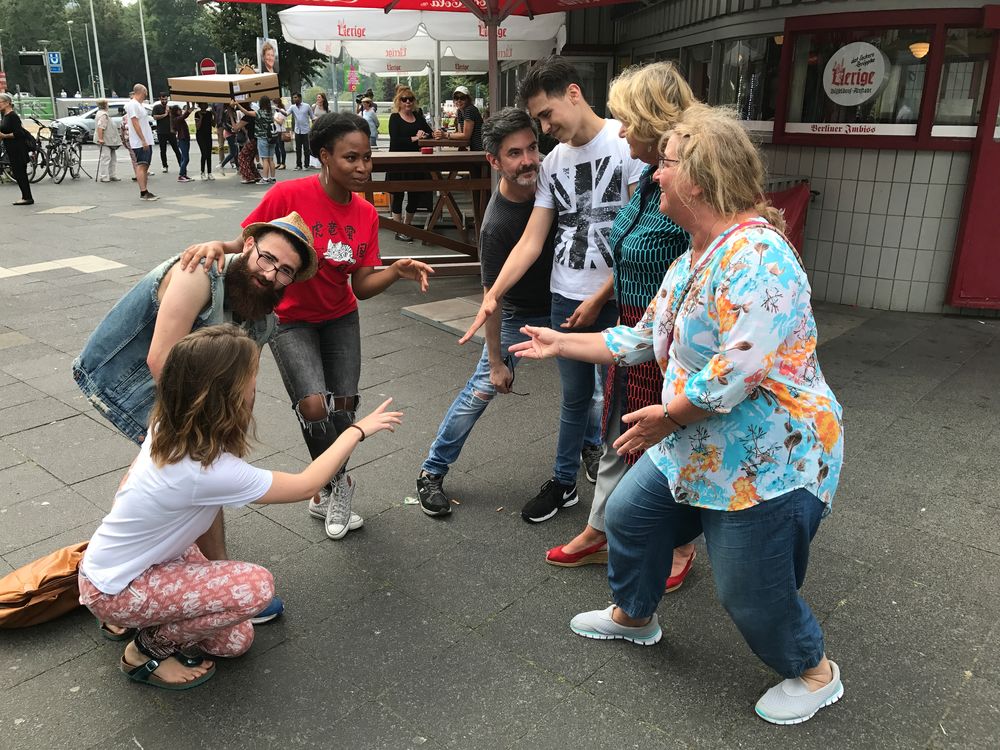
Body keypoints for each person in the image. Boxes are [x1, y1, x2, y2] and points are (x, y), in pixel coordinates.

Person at [510, 104, 845, 725]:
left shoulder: (758, 255)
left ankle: (813, 671)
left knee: (751, 592)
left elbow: (737, 370)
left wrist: (668, 415)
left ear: (702, 175)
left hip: (771, 458)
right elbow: (642, 338)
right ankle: (634, 616)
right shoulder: (694, 255)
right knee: (630, 513)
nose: (653, 175)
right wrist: (562, 341)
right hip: (701, 440)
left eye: (665, 164)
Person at [79, 324, 403, 690]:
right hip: (116, 588)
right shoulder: (208, 470)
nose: (254, 388)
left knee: (235, 642)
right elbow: (308, 484)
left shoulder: (168, 425)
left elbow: (128, 484)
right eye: (251, 379)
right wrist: (355, 431)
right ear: (226, 394)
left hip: (130, 566)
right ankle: (144, 652)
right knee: (255, 587)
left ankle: (154, 618)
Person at [179, 113, 434, 542]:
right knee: (314, 404)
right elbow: (249, 241)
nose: (362, 167)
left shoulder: (366, 214)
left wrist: (395, 271)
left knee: (345, 407)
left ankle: (327, 483)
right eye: (351, 157)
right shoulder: (288, 195)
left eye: (367, 158)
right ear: (324, 156)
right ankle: (334, 485)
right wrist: (216, 246)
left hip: (340, 316)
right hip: (289, 319)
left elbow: (363, 285)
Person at [73, 211, 318, 627]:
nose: (271, 274)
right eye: (267, 259)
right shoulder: (198, 274)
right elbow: (161, 360)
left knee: (166, 473)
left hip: (191, 392)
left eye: (285, 271)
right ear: (248, 246)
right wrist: (212, 444)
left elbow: (248, 381)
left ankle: (132, 569)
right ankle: (207, 573)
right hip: (132, 378)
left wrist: (231, 433)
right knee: (196, 473)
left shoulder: (263, 315)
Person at [461, 56, 643, 522]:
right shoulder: (555, 163)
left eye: (547, 115)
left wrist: (601, 297)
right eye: (538, 119)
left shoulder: (626, 141)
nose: (543, 129)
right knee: (576, 398)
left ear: (574, 94)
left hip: (618, 297)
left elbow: (640, 234)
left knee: (620, 399)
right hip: (566, 293)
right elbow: (532, 238)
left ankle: (617, 493)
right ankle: (564, 482)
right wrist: (492, 294)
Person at [545, 63, 697, 592]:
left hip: (674, 341)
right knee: (619, 432)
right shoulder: (651, 181)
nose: (621, 129)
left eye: (628, 119)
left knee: (668, 441)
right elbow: (629, 255)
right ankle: (598, 529)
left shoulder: (688, 189)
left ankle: (677, 544)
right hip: (636, 326)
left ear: (658, 121)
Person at [416, 108, 555, 516]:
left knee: (593, 389)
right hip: (517, 313)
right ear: (493, 161)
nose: (528, 159)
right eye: (514, 153)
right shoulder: (496, 225)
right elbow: (491, 298)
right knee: (480, 390)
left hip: (567, 305)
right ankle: (431, 470)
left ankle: (588, 450)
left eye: (532, 147)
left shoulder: (555, 179)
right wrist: (497, 361)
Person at [387, 86, 433, 242]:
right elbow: (396, 140)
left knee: (414, 196)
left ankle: (407, 227)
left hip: (416, 163)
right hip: (398, 163)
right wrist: (415, 138)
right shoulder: (394, 118)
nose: (407, 102)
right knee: (398, 196)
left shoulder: (418, 117)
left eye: (410, 99)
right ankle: (398, 229)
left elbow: (430, 132)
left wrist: (425, 134)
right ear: (398, 102)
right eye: (404, 99)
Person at [0, 92, 35, 205]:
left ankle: (27, 197)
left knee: (20, 173)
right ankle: (25, 196)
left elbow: (19, 133)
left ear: (7, 103)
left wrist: (5, 136)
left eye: (0, 102)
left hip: (18, 149)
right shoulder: (4, 116)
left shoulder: (12, 116)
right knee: (18, 173)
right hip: (11, 148)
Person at [125, 84, 157, 200]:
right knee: (142, 165)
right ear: (142, 91)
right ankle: (143, 192)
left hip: (145, 140)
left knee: (145, 165)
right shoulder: (133, 105)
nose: (146, 94)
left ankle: (145, 191)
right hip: (139, 142)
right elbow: (135, 123)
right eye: (146, 92)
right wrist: (143, 140)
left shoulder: (138, 105)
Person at [434, 85, 482, 151]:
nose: (459, 101)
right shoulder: (460, 111)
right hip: (473, 148)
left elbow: (466, 135)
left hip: (480, 149)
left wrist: (445, 134)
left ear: (468, 99)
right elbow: (460, 133)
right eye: (456, 98)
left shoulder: (469, 110)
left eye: (462, 98)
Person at [233, 98, 261, 185]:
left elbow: (235, 128)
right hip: (257, 139)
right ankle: (255, 175)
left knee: (242, 156)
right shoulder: (252, 112)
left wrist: (231, 116)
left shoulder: (247, 116)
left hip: (253, 140)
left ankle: (248, 177)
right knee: (249, 158)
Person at [151, 92, 180, 174]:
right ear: (160, 99)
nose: (164, 101)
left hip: (171, 132)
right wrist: (165, 114)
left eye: (166, 99)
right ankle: (165, 166)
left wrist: (170, 114)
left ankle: (181, 164)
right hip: (161, 132)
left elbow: (174, 118)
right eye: (163, 99)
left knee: (176, 148)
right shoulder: (156, 107)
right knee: (163, 150)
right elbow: (155, 117)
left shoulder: (170, 108)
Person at [94, 98, 122, 183]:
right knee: (106, 158)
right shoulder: (103, 115)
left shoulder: (102, 113)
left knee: (112, 158)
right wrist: (101, 139)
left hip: (109, 140)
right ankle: (104, 176)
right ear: (105, 105)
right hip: (106, 140)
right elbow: (100, 127)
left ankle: (112, 175)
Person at [289, 92, 313, 169]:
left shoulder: (307, 106)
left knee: (306, 149)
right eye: (293, 98)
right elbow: (286, 114)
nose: (294, 99)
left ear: (300, 98)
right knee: (298, 149)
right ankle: (298, 165)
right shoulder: (293, 107)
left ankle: (307, 164)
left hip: (305, 130)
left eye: (295, 97)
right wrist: (280, 110)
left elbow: (312, 116)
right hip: (297, 130)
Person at [171, 104, 193, 182]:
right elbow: (185, 115)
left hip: (184, 139)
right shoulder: (176, 119)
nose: (180, 111)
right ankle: (181, 175)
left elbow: (185, 114)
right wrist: (189, 108)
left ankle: (184, 174)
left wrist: (189, 105)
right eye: (179, 110)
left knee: (184, 158)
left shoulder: (178, 119)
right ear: (175, 111)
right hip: (182, 139)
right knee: (186, 158)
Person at [194, 102, 215, 180]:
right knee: (204, 153)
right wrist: (201, 118)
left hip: (208, 135)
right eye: (202, 104)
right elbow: (197, 127)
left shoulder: (209, 113)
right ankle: (202, 172)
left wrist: (214, 115)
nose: (204, 105)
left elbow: (213, 124)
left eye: (205, 104)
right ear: (200, 105)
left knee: (209, 154)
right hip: (200, 135)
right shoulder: (197, 113)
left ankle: (209, 172)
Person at [219, 103, 239, 171]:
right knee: (233, 152)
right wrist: (233, 129)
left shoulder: (231, 111)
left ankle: (238, 167)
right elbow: (226, 123)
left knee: (236, 151)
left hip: (230, 132)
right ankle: (222, 165)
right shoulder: (228, 112)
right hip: (229, 133)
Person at [272, 97, 288, 170]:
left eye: (274, 103)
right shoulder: (276, 111)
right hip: (276, 130)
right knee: (276, 148)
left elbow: (280, 122)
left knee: (281, 148)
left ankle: (283, 163)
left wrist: (274, 118)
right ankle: (278, 162)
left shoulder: (281, 111)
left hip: (280, 131)